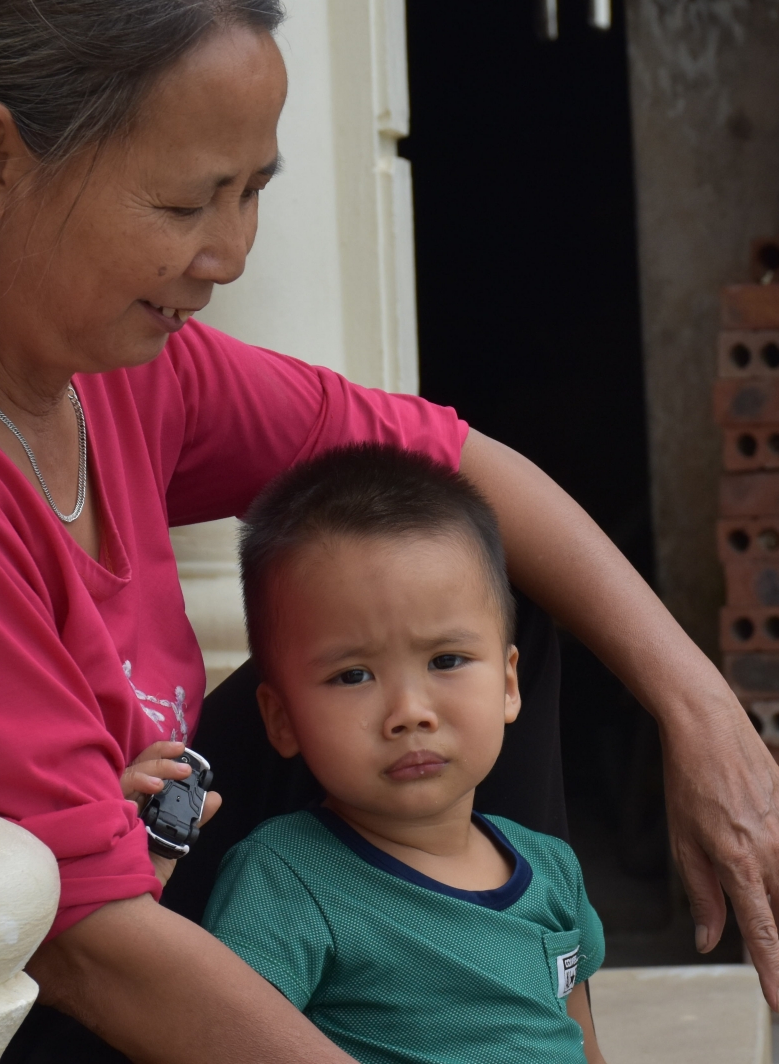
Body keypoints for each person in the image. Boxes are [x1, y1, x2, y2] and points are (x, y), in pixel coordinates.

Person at [0, 0, 779, 1064]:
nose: (231, 252)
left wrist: (701, 712)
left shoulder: (130, 371)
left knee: (473, 580)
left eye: (251, 193)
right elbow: (83, 943)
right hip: (63, 991)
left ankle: (506, 1018)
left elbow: (461, 465)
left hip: (157, 856)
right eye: (188, 200)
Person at [205, 444, 606, 1064]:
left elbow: (580, 1041)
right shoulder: (284, 882)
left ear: (507, 684)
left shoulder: (551, 871)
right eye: (352, 675)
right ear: (280, 719)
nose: (409, 712)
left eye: (446, 661)